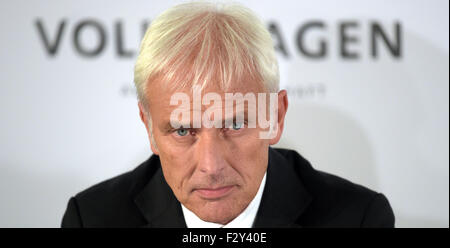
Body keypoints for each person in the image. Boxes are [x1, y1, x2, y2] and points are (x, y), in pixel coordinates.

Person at [61, 2, 394, 228]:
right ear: (149, 127)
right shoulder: (92, 219)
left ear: (275, 117)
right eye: (182, 130)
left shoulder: (358, 219)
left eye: (235, 124)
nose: (211, 166)